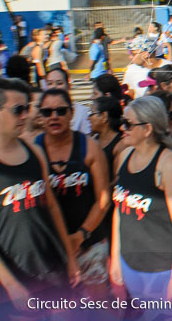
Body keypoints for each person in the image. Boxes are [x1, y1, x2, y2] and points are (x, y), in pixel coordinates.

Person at [0, 77, 78, 310]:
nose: (26, 116)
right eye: (17, 109)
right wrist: (11, 285)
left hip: (53, 267)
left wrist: (70, 258)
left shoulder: (34, 151)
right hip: (14, 276)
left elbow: (52, 206)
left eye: (28, 108)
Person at [110, 97, 172, 302]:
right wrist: (116, 258)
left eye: (128, 123)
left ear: (147, 129)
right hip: (130, 263)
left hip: (161, 269)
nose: (122, 127)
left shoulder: (168, 164)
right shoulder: (125, 155)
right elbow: (120, 210)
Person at [35, 88, 111, 294]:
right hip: (53, 245)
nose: (54, 117)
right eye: (47, 112)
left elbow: (103, 199)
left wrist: (81, 235)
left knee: (99, 305)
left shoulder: (90, 147)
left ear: (71, 113)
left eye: (60, 111)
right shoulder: (33, 150)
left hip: (90, 240)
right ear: (40, 116)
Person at [87, 95, 125, 167]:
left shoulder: (120, 145)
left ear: (104, 116)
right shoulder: (93, 141)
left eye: (91, 114)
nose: (88, 118)